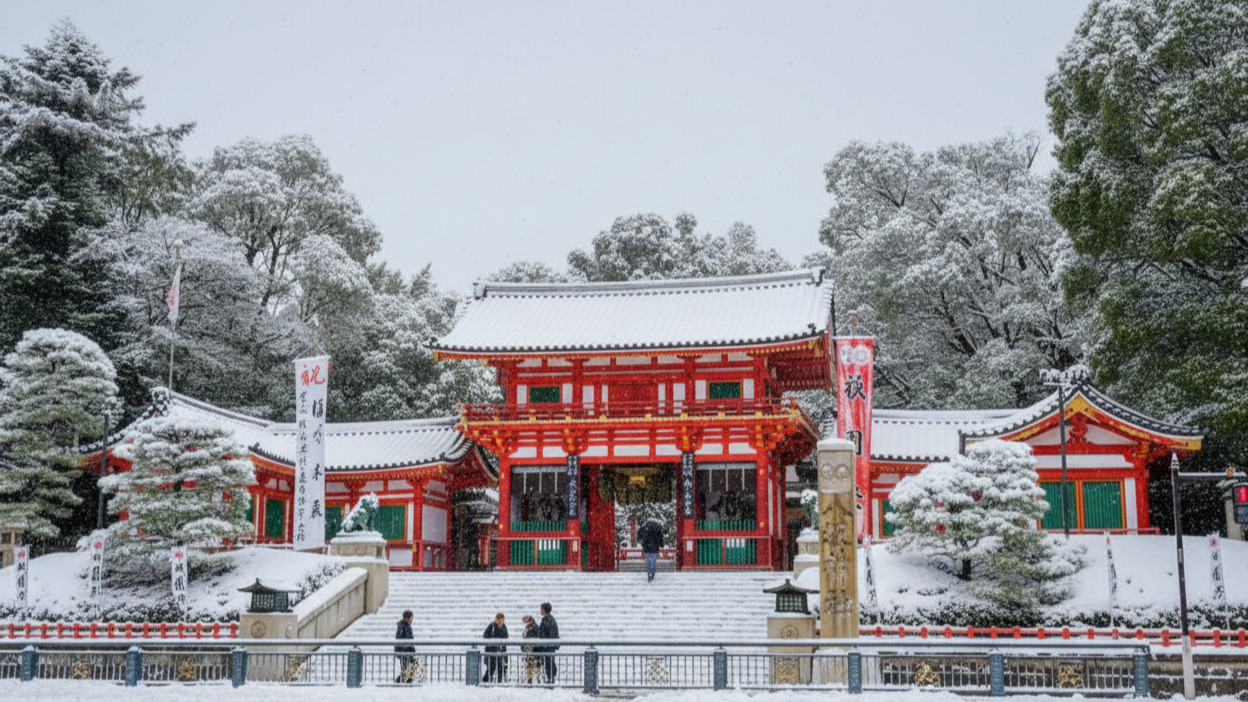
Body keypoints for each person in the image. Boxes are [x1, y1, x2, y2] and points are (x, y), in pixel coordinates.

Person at [537, 602, 560, 684]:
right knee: (550, 661)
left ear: (544, 610)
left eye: (541, 609)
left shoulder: (546, 620)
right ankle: (551, 676)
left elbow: (543, 633)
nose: (540, 611)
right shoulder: (551, 619)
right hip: (551, 645)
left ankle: (551, 677)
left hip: (548, 646)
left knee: (549, 662)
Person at [482, 612, 509, 683]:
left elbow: (506, 637)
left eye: (502, 621)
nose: (501, 623)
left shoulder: (504, 627)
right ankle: (486, 681)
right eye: (499, 621)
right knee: (491, 669)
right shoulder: (491, 626)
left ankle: (499, 682)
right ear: (496, 620)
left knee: (501, 668)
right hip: (491, 652)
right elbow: (485, 636)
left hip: (500, 652)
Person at [638, 518, 664, 583]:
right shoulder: (657, 529)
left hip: (647, 548)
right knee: (653, 561)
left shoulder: (645, 529)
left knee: (648, 561)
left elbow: (640, 536)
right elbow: (660, 539)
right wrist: (661, 544)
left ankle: (649, 572)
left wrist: (643, 543)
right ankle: (652, 573)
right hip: (655, 548)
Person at [394, 609, 415, 683]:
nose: (412, 620)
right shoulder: (402, 626)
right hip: (404, 651)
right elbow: (401, 638)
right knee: (406, 667)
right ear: (406, 618)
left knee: (409, 667)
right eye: (411, 619)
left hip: (408, 651)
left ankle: (406, 679)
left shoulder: (407, 626)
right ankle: (403, 680)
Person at [520, 615, 542, 684]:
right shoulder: (528, 628)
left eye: (527, 622)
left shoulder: (535, 628)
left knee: (536, 666)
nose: (526, 623)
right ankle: (530, 679)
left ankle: (538, 680)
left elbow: (531, 637)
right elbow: (524, 637)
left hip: (535, 650)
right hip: (530, 651)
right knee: (529, 666)